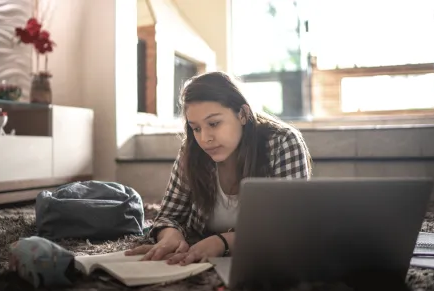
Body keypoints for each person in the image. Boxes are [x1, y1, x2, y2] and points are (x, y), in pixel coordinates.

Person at [125, 71, 312, 266]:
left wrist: (223, 242)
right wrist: (170, 236)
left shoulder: (283, 142)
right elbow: (168, 217)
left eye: (214, 123)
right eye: (196, 128)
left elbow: (291, 226)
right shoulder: (192, 150)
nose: (205, 138)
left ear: (243, 114)